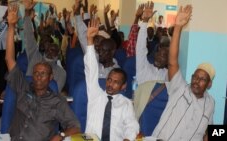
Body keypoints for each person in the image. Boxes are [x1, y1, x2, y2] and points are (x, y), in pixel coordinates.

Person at [5, 4, 80, 141]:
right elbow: (9, 59)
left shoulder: (57, 102)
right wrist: (11, 27)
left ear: (51, 77)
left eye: (43, 73)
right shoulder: (23, 86)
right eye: (36, 73)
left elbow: (75, 126)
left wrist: (60, 135)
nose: (38, 77)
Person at [152, 5, 215, 141]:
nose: (196, 81)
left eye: (202, 79)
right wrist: (178, 27)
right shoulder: (179, 88)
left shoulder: (210, 103)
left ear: (209, 84)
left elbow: (208, 132)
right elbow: (172, 62)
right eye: (195, 77)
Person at [84, 19, 139, 141]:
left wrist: (128, 138)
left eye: (116, 82)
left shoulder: (126, 103)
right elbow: (91, 69)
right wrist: (89, 41)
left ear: (123, 86)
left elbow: (132, 125)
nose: (110, 84)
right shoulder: (95, 94)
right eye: (109, 80)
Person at [23, 0, 66, 93]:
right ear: (46, 50)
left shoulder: (61, 73)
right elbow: (29, 36)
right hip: (27, 97)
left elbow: (55, 94)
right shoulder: (36, 56)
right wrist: (27, 13)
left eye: (54, 50)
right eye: (50, 49)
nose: (51, 51)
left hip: (47, 104)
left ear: (58, 54)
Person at [136, 2, 169, 85]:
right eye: (158, 53)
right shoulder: (144, 66)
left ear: (168, 60)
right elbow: (140, 48)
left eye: (164, 56)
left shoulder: (168, 74)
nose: (159, 57)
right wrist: (145, 21)